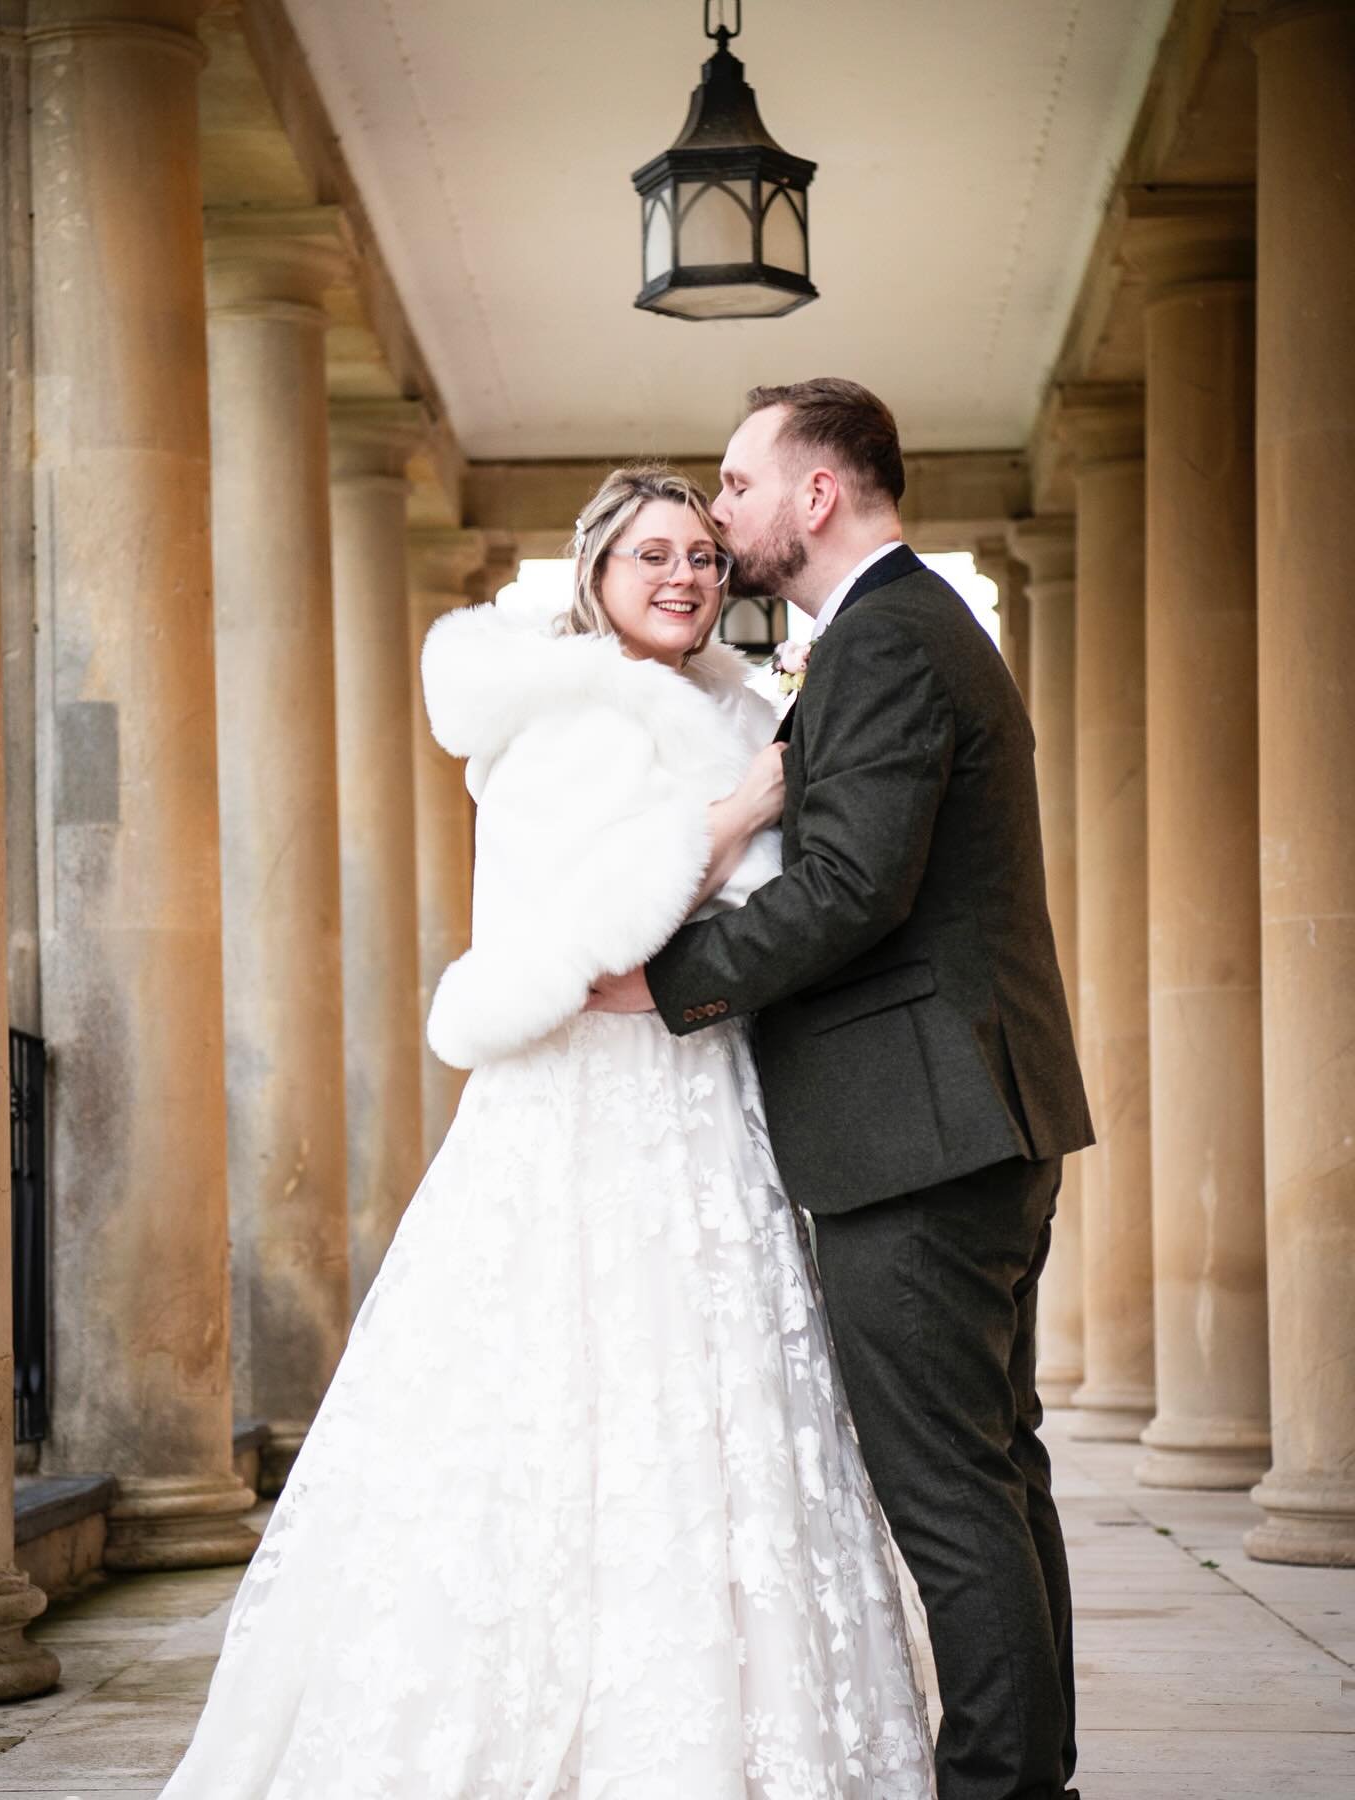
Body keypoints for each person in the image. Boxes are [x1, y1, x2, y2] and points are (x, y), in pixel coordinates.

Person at [157, 466, 937, 1800]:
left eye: (700, 552)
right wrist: (742, 808)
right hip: (579, 1106)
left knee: (707, 1419)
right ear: (594, 573)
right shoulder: (570, 717)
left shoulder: (735, 712)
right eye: (651, 555)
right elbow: (584, 922)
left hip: (701, 1105)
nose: (684, 575)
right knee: (550, 1399)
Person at [591, 381, 1095, 1800]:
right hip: (959, 1116)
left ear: (817, 494)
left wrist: (670, 979)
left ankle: (1002, 1786)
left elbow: (854, 887)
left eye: (739, 486)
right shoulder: (902, 631)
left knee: (948, 1495)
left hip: (916, 1136)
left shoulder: (885, 639)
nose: (721, 512)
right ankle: (1032, 1779)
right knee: (993, 1473)